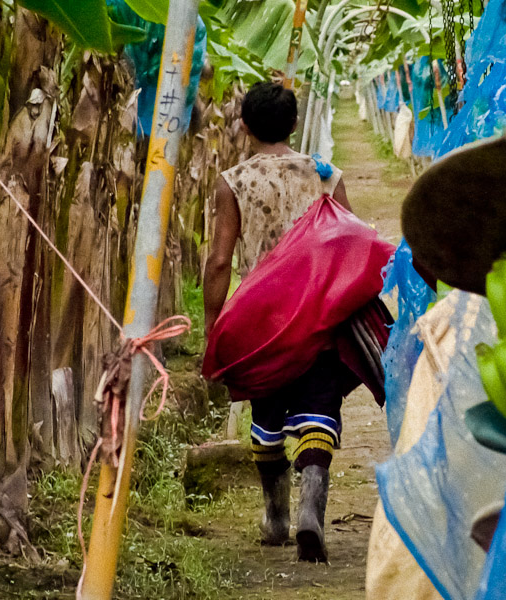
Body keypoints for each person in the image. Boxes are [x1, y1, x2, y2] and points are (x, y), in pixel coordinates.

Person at [203, 81, 355, 562]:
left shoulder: (234, 182)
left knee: (267, 415)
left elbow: (220, 262)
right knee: (319, 406)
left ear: (244, 126)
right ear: (293, 124)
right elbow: (350, 241)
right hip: (318, 312)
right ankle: (312, 502)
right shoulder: (326, 175)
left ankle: (276, 516)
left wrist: (214, 326)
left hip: (261, 318)